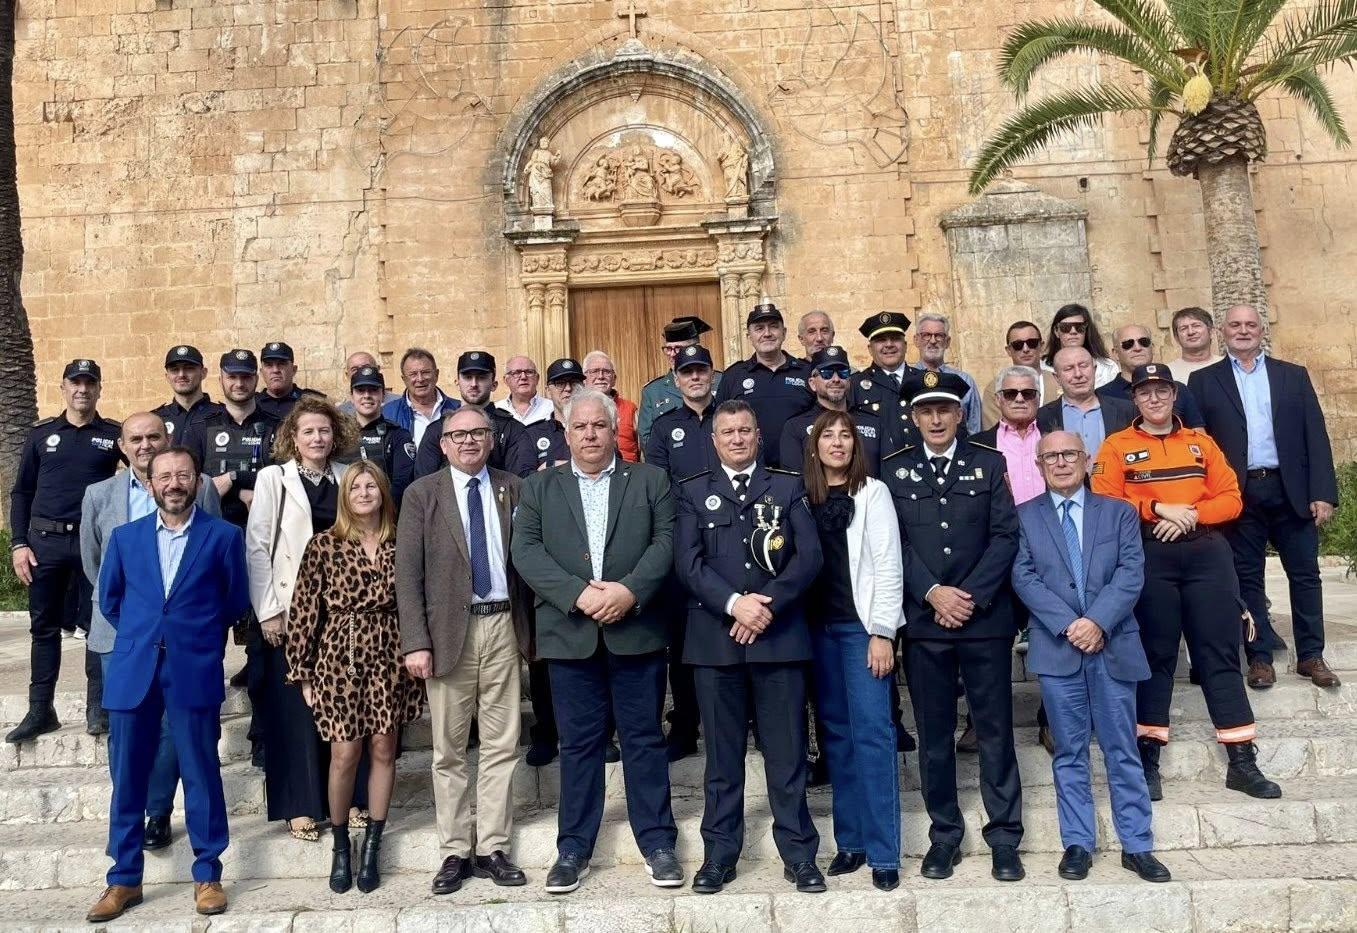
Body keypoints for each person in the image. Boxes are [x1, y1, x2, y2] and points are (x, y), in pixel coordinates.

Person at [510, 389, 681, 895]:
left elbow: (665, 543)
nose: (589, 434)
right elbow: (525, 549)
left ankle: (658, 843)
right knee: (580, 744)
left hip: (636, 630)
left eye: (599, 426)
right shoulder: (540, 488)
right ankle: (573, 848)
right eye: (580, 427)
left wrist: (629, 591)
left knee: (644, 739)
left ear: (614, 430)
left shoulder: (650, 481)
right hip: (570, 635)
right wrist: (579, 596)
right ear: (566, 433)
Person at [1093, 363, 1282, 801]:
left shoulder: (1201, 443)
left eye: (1162, 391)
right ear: (1135, 399)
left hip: (1206, 553)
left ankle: (1241, 759)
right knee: (1155, 655)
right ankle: (1147, 759)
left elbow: (1231, 497)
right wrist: (1159, 508)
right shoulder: (1116, 445)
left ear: (1174, 395)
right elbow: (1105, 496)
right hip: (1150, 554)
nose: (1154, 399)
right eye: (1145, 393)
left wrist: (1191, 514)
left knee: (1218, 652)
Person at [85, 447, 249, 923]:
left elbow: (234, 598)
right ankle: (123, 880)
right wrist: (145, 635)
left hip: (192, 668)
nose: (174, 483)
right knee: (128, 779)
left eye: (183, 475)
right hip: (133, 671)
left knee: (201, 773)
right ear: (150, 484)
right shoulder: (124, 538)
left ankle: (207, 874)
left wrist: (191, 635)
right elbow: (111, 602)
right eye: (165, 477)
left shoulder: (222, 537)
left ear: (197, 480)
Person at [673, 400, 825, 895]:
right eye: (727, 432)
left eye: (744, 431)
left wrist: (767, 607)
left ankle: (800, 854)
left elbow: (808, 557)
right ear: (713, 440)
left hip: (778, 640)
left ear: (758, 435)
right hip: (716, 643)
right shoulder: (694, 492)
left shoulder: (787, 486)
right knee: (721, 758)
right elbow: (688, 564)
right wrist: (736, 604)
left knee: (786, 755)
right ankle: (719, 855)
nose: (737, 439)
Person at [1011, 431, 1171, 884]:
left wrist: (1097, 621)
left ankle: (1137, 845)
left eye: (1070, 454)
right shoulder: (1024, 517)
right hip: (1059, 648)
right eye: (1051, 457)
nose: (1061, 463)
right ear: (1039, 466)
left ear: (1087, 461)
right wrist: (1070, 624)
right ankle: (1077, 843)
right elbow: (1024, 577)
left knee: (1123, 750)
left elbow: (1130, 572)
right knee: (1069, 751)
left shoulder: (1118, 513)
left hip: (1113, 644)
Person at [883, 370, 1023, 883]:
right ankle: (944, 836)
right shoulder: (893, 472)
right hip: (926, 623)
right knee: (936, 735)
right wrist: (932, 592)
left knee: (994, 732)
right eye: (926, 410)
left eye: (944, 409)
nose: (936, 418)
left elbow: (1006, 535)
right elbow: (892, 542)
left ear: (960, 414)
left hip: (984, 621)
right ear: (914, 417)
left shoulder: (989, 464)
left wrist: (970, 595)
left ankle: (1005, 836)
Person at [397, 408, 533, 895]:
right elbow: (407, 575)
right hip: (448, 633)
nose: (469, 441)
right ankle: (454, 850)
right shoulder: (421, 495)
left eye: (478, 433)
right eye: (459, 435)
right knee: (448, 751)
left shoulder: (514, 487)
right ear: (444, 444)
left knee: (501, 745)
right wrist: (415, 641)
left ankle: (492, 846)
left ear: (491, 440)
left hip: (502, 625)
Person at [81, 413, 221, 854]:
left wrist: (191, 629)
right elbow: (98, 571)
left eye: (153, 437)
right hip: (124, 642)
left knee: (180, 746)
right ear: (123, 447)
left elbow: (225, 584)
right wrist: (140, 627)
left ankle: (158, 812)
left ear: (169, 439)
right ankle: (124, 862)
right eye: (135, 439)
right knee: (127, 749)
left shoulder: (204, 495)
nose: (144, 444)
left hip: (187, 650)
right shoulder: (101, 497)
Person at [287, 460, 423, 894]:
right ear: (345, 496)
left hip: (389, 654)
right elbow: (305, 610)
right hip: (338, 658)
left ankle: (373, 844)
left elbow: (417, 601)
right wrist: (302, 672)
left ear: (383, 492)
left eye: (372, 486)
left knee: (384, 748)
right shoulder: (324, 545)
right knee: (345, 753)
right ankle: (342, 844)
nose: (364, 492)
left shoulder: (402, 543)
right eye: (356, 486)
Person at [1190, 305, 1340, 688]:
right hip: (1238, 493)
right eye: (1236, 325)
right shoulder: (1204, 381)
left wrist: (1323, 492)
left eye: (1251, 325)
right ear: (1222, 331)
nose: (1243, 331)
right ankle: (1259, 659)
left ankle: (1311, 655)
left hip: (1291, 489)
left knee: (1305, 575)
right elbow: (1197, 446)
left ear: (1262, 330)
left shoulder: (1293, 376)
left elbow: (1315, 436)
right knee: (1246, 577)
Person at [246, 395, 366, 841]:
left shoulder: (347, 477)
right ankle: (299, 803)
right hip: (291, 610)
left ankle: (353, 797)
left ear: (336, 437)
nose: (317, 438)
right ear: (292, 438)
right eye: (308, 431)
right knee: (294, 709)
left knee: (345, 707)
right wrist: (269, 611)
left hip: (343, 612)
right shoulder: (274, 479)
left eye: (324, 431)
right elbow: (258, 546)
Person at [802, 409, 904, 891]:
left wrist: (883, 631)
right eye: (829, 436)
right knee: (836, 737)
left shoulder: (873, 492)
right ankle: (851, 842)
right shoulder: (803, 496)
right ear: (816, 446)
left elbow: (888, 564)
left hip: (861, 631)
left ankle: (884, 851)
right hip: (816, 631)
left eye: (845, 435)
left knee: (873, 734)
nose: (838, 443)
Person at [7, 358, 123, 743]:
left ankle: (98, 708)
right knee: (43, 628)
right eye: (75, 383)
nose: (82, 390)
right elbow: (22, 491)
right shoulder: (42, 435)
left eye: (90, 383)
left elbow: (145, 473)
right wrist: (19, 544)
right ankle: (41, 709)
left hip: (93, 543)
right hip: (46, 544)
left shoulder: (112, 434)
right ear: (63, 388)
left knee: (98, 626)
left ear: (99, 389)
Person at [180, 349, 278, 764]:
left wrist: (233, 482)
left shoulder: (274, 427)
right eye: (231, 377)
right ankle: (205, 736)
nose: (239, 383)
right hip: (210, 545)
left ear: (255, 378)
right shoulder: (201, 426)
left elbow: (281, 479)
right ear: (219, 379)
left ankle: (261, 737)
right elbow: (184, 479)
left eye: (246, 376)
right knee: (209, 641)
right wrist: (236, 489)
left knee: (261, 642)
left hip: (259, 545)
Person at [644, 344, 718, 762]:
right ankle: (686, 726)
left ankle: (747, 724)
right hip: (684, 543)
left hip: (731, 541)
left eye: (701, 370)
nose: (694, 377)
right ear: (676, 379)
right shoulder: (663, 427)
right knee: (683, 639)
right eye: (686, 372)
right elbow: (658, 485)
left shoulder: (731, 418)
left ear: (711, 375)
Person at [712, 303, 815, 468]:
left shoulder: (806, 372)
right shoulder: (734, 376)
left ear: (784, 332)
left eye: (773, 327)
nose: (767, 334)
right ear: (749, 336)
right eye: (759, 328)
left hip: (802, 472)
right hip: (751, 474)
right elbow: (718, 424)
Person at [414, 351, 534, 478]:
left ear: (494, 384)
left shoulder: (512, 428)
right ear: (457, 382)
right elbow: (423, 485)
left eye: (481, 377)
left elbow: (521, 481)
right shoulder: (437, 429)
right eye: (467, 377)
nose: (474, 384)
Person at [778, 346, 883, 476]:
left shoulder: (874, 423)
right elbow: (792, 483)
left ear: (849, 381)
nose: (836, 379)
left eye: (842, 373)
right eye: (826, 373)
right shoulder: (795, 427)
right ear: (812, 383)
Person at [638, 316, 723, 448]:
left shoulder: (721, 381)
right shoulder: (652, 391)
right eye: (668, 349)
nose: (672, 354)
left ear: (693, 349)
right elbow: (647, 440)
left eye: (677, 348)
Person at [338, 365, 416, 509]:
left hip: (386, 517)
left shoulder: (398, 435)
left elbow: (402, 483)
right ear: (352, 396)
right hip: (346, 518)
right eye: (360, 390)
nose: (367, 395)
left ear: (382, 395)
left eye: (373, 390)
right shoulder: (338, 436)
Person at [1036, 347, 1135, 457]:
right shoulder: (1042, 416)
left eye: (1083, 366)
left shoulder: (1127, 410)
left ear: (1095, 369)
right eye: (1068, 369)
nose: (1078, 374)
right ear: (1057, 378)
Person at [1102, 324, 1205, 427]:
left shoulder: (1178, 389)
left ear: (1153, 348)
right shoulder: (1102, 395)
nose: (1137, 348)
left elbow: (1197, 433)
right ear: (1115, 353)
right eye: (1128, 344)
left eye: (1144, 342)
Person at [849, 312, 919, 456]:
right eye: (881, 340)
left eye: (895, 339)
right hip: (878, 470)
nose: (889, 345)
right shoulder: (854, 385)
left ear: (905, 345)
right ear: (870, 349)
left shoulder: (923, 380)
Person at [973, 367, 1044, 506]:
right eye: (1010, 394)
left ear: (1038, 398)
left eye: (1028, 393)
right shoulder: (977, 446)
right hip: (1002, 525)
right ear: (998, 399)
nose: (1019, 399)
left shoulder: (1055, 436)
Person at [980, 321, 1062, 429]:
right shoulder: (995, 388)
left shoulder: (1059, 381)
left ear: (1041, 346)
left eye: (1032, 343)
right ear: (1009, 350)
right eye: (1018, 345)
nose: (1025, 349)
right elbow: (995, 431)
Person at [911, 312, 982, 436]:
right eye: (926, 335)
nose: (933, 341)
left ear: (948, 341)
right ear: (916, 340)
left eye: (939, 336)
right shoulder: (907, 379)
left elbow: (975, 430)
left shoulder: (965, 380)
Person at [382, 348, 461, 448]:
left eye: (425, 372)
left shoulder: (458, 409)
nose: (420, 379)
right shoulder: (388, 413)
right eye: (413, 374)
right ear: (404, 379)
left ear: (436, 375)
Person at [522, 358, 580, 475]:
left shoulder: (598, 428)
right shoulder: (532, 434)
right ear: (548, 391)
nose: (568, 388)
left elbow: (612, 465)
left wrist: (551, 466)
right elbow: (524, 478)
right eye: (560, 383)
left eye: (574, 382)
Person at [154, 345, 222, 441]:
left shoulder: (224, 415)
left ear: (203, 373)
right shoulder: (156, 419)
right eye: (175, 370)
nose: (181, 375)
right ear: (167, 377)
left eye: (189, 368)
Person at [1043, 304, 1119, 388]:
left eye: (1079, 327)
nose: (1073, 331)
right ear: (1056, 331)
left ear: (1086, 331)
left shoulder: (1107, 368)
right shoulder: (1043, 368)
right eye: (1065, 327)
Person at [584, 350, 640, 462]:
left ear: (614, 379)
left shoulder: (630, 409)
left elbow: (642, 450)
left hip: (628, 473)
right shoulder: (576, 410)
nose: (600, 376)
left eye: (606, 372)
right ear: (584, 379)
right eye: (594, 371)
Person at [255, 342, 324, 421]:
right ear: (261, 372)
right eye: (269, 365)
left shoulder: (313, 401)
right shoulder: (252, 405)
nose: (275, 370)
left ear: (293, 370)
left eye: (281, 364)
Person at [495, 355, 554, 427]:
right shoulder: (496, 410)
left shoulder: (552, 408)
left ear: (537, 378)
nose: (523, 377)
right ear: (506, 380)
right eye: (516, 373)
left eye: (529, 372)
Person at [1166, 306, 1223, 380]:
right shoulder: (1168, 373)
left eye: (1196, 326)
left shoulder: (1228, 366)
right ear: (1176, 338)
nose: (1191, 332)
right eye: (1184, 328)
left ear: (1211, 332)